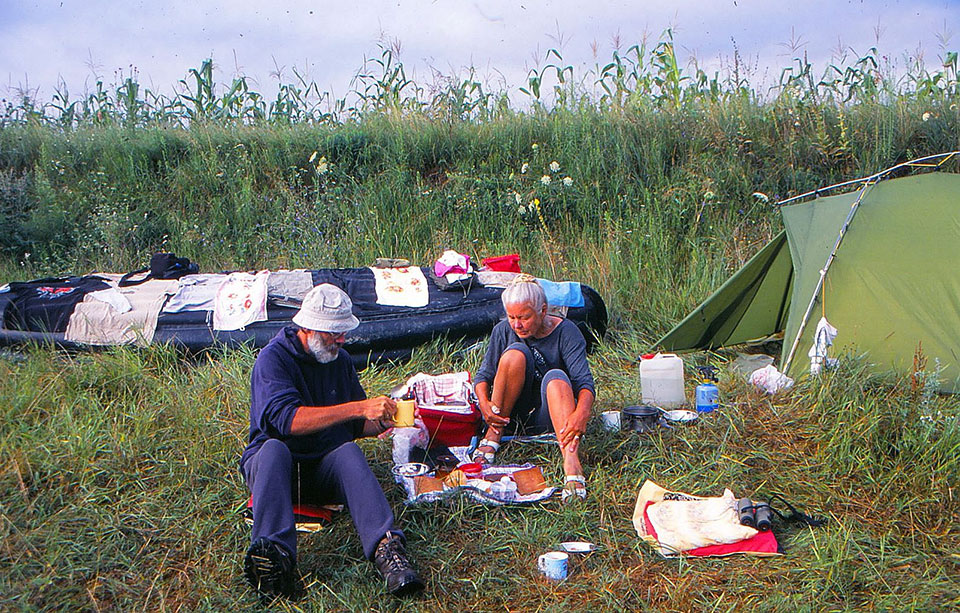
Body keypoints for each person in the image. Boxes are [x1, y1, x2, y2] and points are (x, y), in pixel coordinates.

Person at [240, 284, 424, 600]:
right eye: (333, 333)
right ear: (307, 326)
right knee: (272, 450)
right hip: (277, 473)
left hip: (321, 467)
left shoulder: (337, 360)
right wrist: (358, 408)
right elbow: (289, 421)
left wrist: (384, 420)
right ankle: (274, 560)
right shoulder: (273, 360)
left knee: (349, 453)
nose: (341, 340)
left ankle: (388, 550)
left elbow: (354, 426)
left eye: (343, 332)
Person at [473, 276, 596, 503]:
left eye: (524, 317)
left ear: (543, 310)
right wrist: (484, 404)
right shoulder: (503, 331)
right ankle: (493, 435)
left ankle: (571, 464)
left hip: (551, 416)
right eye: (512, 317)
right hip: (510, 412)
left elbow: (585, 383)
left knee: (556, 377)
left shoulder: (567, 332)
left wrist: (581, 414)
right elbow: (483, 376)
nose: (517, 325)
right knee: (514, 354)